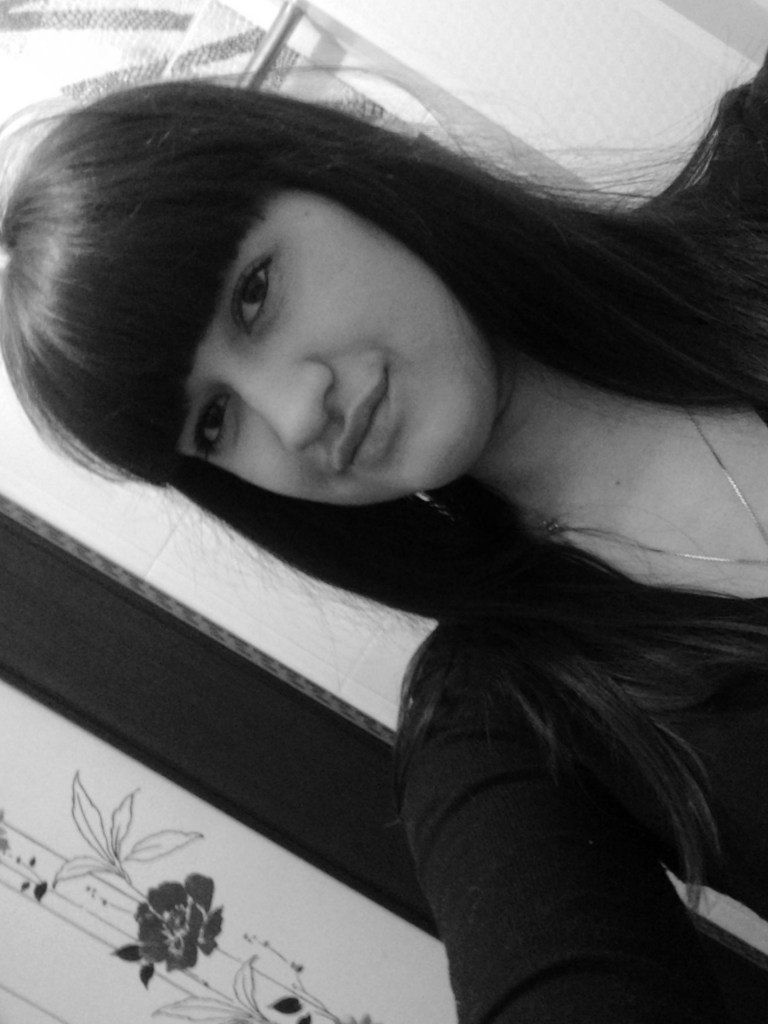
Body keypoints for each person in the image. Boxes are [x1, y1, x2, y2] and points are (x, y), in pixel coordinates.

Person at [2, 61, 768, 1021]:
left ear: (332, 170)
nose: (294, 413)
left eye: (254, 293)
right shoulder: (500, 728)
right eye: (214, 422)